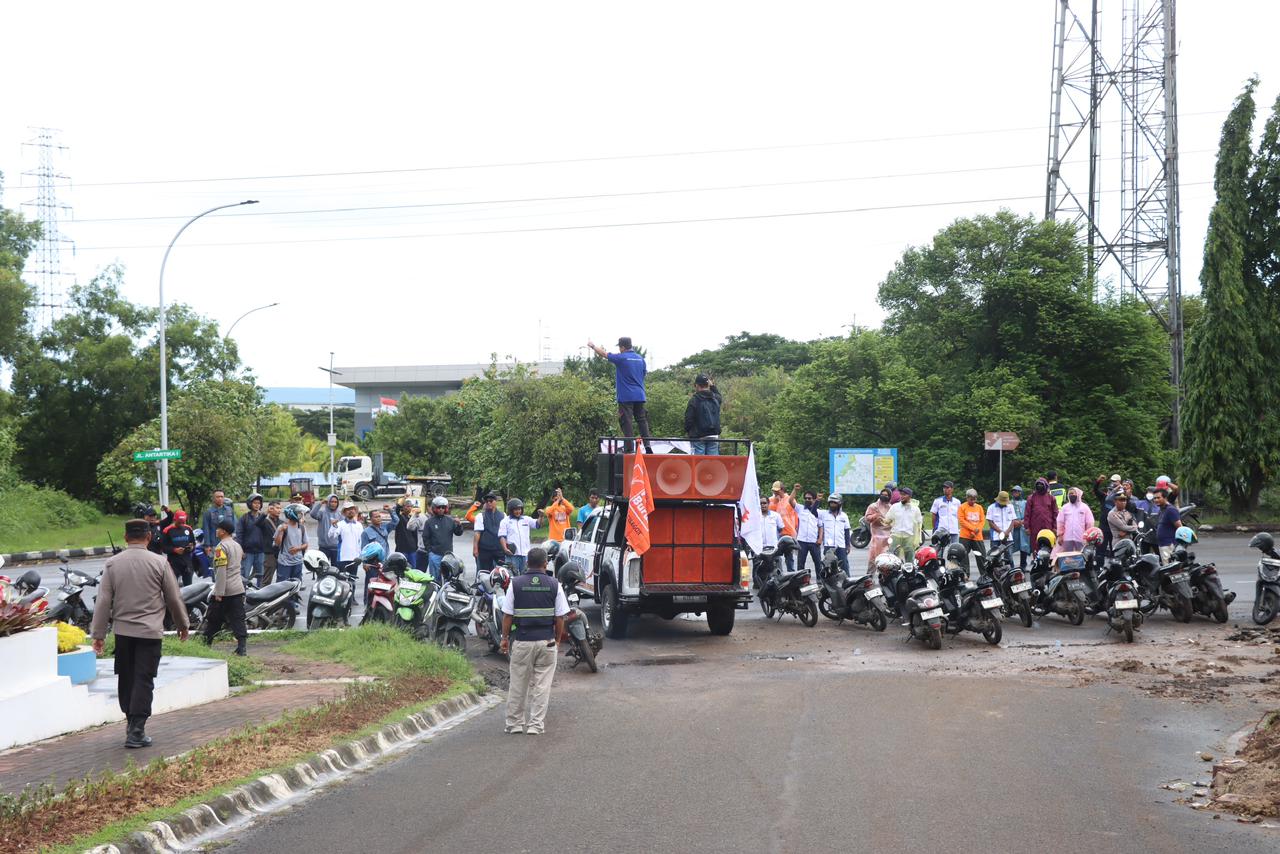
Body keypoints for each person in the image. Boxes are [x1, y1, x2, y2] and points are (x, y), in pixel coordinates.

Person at [90, 519, 189, 749]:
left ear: (126, 537)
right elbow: (173, 598)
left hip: (123, 633)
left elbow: (103, 601)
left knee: (126, 678)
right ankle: (136, 730)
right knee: (144, 679)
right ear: (148, 537)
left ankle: (131, 722)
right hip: (150, 633)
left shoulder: (112, 564)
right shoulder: (160, 563)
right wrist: (182, 624)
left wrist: (98, 634)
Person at [500, 547, 568, 735]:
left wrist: (504, 638)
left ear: (527, 563)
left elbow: (507, 615)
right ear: (546, 563)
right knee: (542, 686)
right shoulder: (555, 585)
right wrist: (557, 640)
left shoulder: (515, 584)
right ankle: (536, 725)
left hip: (522, 641)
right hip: (547, 642)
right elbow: (560, 617)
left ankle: (514, 724)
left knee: (518, 684)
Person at [588, 336, 650, 449]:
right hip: (640, 395)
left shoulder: (621, 358)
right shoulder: (640, 359)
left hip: (626, 396)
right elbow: (644, 374)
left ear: (622, 347)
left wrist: (593, 346)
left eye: (620, 347)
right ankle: (647, 445)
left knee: (627, 421)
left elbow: (604, 354)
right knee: (642, 420)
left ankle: (629, 448)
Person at [204, 519, 248, 656]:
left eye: (218, 529)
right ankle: (242, 648)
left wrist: (219, 592)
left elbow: (221, 570)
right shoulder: (237, 545)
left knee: (213, 618)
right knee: (238, 619)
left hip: (225, 590)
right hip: (238, 588)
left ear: (223, 531)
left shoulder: (221, 547)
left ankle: (205, 644)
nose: (216, 531)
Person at [410, 496, 463, 583]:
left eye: (443, 507)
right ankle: (436, 591)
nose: (441, 509)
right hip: (435, 554)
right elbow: (425, 537)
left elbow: (458, 533)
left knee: (448, 578)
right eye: (439, 507)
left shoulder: (450, 521)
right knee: (435, 579)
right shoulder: (429, 522)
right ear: (434, 508)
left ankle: (444, 591)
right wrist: (430, 551)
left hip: (448, 555)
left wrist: (459, 525)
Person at [234, 494, 275, 584]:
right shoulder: (244, 518)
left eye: (259, 503)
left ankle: (259, 592)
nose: (257, 505)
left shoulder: (264, 518)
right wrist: (241, 550)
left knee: (261, 576)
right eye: (255, 503)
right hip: (247, 553)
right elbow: (239, 535)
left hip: (261, 552)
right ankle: (243, 592)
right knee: (244, 576)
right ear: (250, 504)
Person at [499, 499, 542, 573]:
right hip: (512, 554)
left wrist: (541, 516)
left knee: (526, 575)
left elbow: (537, 525)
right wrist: (505, 549)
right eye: (515, 509)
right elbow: (502, 536)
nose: (518, 511)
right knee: (512, 575)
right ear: (511, 510)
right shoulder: (505, 521)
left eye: (519, 509)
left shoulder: (526, 519)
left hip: (525, 555)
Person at [684, 373, 722, 455]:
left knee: (699, 461)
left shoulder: (694, 400)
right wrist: (712, 386)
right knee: (713, 461)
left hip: (698, 436)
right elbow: (719, 396)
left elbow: (688, 419)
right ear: (708, 384)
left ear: (696, 385)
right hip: (713, 435)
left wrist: (688, 431)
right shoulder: (715, 398)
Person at [769, 481, 801, 570]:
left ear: (782, 490)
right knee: (776, 554)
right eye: (774, 491)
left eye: (777, 491)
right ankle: (777, 572)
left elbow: (796, 515)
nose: (775, 492)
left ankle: (791, 572)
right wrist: (775, 502)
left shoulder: (789, 499)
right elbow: (769, 514)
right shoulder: (771, 500)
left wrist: (795, 529)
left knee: (789, 555)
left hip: (788, 532)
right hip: (777, 532)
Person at [160, 510, 196, 586]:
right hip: (174, 563)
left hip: (187, 562)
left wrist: (191, 547)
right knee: (173, 586)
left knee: (189, 586)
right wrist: (174, 550)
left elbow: (193, 544)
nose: (181, 524)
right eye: (179, 522)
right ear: (174, 519)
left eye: (183, 522)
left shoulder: (188, 529)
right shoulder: (167, 530)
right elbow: (164, 548)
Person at [1023, 478, 1058, 556]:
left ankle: (1049, 561)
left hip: (1048, 527)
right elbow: (1027, 513)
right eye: (1038, 484)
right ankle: (1036, 561)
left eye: (1041, 484)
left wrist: (1055, 527)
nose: (1039, 486)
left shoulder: (1051, 498)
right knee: (1035, 547)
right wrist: (1027, 527)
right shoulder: (1031, 498)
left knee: (1050, 546)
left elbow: (1055, 513)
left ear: (1045, 486)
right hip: (1035, 527)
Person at [1055, 486, 1095, 554]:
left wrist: (1088, 536)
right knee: (1067, 557)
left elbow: (1089, 523)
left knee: (1081, 556)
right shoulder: (1065, 508)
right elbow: (1060, 522)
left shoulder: (1084, 507)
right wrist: (1060, 535)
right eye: (1070, 494)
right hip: (1067, 538)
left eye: (1073, 493)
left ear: (1078, 494)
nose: (1071, 495)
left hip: (1081, 538)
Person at [473, 493, 506, 572]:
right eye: (486, 501)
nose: (488, 503)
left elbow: (505, 533)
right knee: (484, 573)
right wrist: (475, 548)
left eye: (491, 501)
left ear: (495, 501)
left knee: (501, 572)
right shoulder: (480, 516)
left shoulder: (503, 515)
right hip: (485, 550)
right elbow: (477, 533)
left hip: (499, 549)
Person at [887, 488, 922, 560]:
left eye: (904, 495)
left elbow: (919, 525)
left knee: (909, 560)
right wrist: (883, 521)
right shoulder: (894, 507)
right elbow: (888, 519)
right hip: (895, 536)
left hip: (909, 537)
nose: (902, 496)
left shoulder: (915, 509)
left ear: (910, 496)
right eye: (901, 494)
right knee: (892, 559)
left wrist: (917, 539)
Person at [821, 494, 853, 575]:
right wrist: (817, 500)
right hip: (829, 545)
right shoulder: (824, 514)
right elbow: (813, 511)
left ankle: (846, 581)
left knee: (844, 566)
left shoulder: (844, 516)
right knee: (828, 567)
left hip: (841, 545)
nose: (832, 505)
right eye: (831, 503)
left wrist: (848, 545)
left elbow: (846, 531)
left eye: (834, 503)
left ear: (839, 504)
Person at [309, 494, 344, 568]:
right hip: (324, 548)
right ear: (328, 502)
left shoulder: (340, 515)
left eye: (335, 502)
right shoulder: (322, 513)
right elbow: (312, 514)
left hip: (336, 548)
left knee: (336, 570)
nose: (333, 504)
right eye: (331, 501)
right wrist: (320, 503)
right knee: (322, 570)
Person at [794, 490, 824, 575]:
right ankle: (800, 580)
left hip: (814, 541)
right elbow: (790, 500)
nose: (807, 500)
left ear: (814, 499)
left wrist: (820, 538)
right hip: (802, 541)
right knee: (800, 563)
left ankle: (820, 580)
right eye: (806, 498)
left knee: (818, 563)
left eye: (809, 498)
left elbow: (820, 526)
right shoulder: (800, 509)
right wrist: (795, 490)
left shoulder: (818, 512)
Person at [863, 488, 892, 569]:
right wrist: (875, 516)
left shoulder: (891, 507)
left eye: (886, 495)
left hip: (888, 537)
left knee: (887, 560)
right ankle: (870, 575)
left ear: (889, 497)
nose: (884, 496)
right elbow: (867, 518)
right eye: (882, 495)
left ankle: (885, 575)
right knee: (873, 558)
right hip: (877, 537)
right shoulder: (873, 506)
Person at [1153, 488, 1182, 561]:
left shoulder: (1171, 510)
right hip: (1162, 545)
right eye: (1155, 498)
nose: (1156, 500)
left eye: (1158, 498)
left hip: (1169, 545)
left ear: (1165, 498)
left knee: (1169, 566)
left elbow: (1180, 528)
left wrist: (1177, 546)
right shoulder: (1162, 510)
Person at [957, 489, 987, 561]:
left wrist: (977, 530)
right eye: (971, 499)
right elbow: (962, 521)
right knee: (963, 557)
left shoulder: (979, 507)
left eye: (974, 499)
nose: (973, 501)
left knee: (982, 557)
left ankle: (983, 569)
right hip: (965, 536)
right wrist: (973, 529)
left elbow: (982, 520)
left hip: (977, 536)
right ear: (967, 498)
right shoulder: (962, 507)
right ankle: (965, 569)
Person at [930, 481, 961, 546]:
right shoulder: (937, 501)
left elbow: (959, 516)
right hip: (941, 530)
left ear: (952, 489)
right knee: (940, 549)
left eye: (947, 487)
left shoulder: (957, 502)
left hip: (954, 530)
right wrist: (935, 528)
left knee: (955, 548)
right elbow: (933, 515)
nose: (945, 489)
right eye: (944, 488)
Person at [393, 499, 421, 569]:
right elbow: (396, 510)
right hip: (402, 549)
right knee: (401, 569)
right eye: (407, 506)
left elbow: (415, 534)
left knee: (413, 569)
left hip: (412, 549)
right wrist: (404, 498)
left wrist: (416, 546)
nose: (409, 508)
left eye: (410, 506)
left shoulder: (412, 518)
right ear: (403, 507)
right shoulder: (399, 518)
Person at [987, 491, 1015, 559]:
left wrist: (1007, 532)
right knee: (994, 557)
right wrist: (1001, 532)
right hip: (995, 537)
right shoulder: (991, 507)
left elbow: (1013, 521)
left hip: (1008, 537)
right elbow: (990, 522)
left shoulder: (1011, 507)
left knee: (1009, 557)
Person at [1008, 486, 1029, 569]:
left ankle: (1023, 565)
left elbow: (1028, 513)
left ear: (1020, 492)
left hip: (1023, 526)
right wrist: (1014, 522)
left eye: (1017, 491)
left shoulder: (1025, 502)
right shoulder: (1009, 503)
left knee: (1024, 546)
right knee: (1010, 546)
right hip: (1013, 527)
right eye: (1013, 492)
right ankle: (1010, 565)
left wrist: (1022, 521)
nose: (1015, 493)